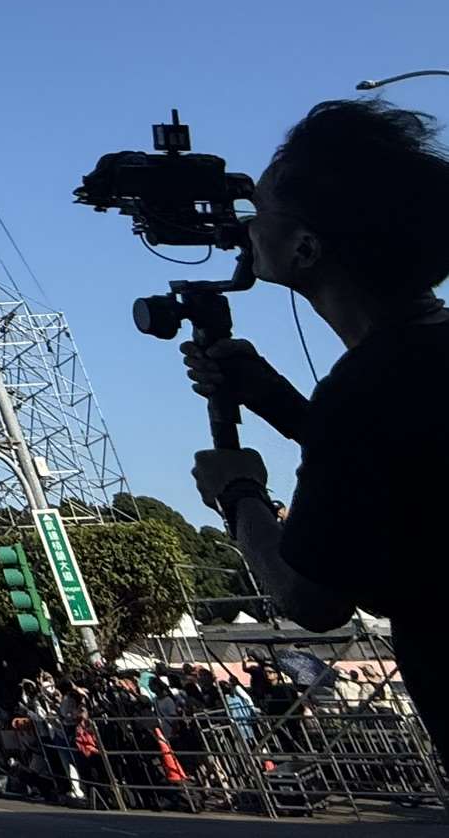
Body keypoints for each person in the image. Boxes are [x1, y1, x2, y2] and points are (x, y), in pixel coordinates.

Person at [183, 99, 449, 747]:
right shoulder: (406, 372)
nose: (246, 228)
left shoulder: (364, 393)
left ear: (305, 247)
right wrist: (282, 404)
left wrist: (237, 493)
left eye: (260, 211)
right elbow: (406, 470)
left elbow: (313, 600)